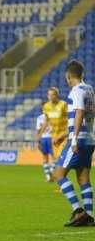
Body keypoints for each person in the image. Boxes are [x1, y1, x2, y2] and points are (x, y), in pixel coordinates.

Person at [53, 60, 95, 227]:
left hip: (79, 139)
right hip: (90, 138)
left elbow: (79, 112)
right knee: (83, 178)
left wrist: (74, 138)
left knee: (58, 174)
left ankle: (78, 211)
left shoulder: (76, 91)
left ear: (68, 76)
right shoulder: (90, 89)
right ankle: (89, 215)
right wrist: (66, 134)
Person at [41, 87, 68, 175]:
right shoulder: (46, 106)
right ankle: (58, 180)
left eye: (52, 94)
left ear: (57, 95)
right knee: (56, 158)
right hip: (54, 137)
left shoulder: (63, 104)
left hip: (64, 135)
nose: (50, 96)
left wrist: (65, 134)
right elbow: (46, 121)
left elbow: (70, 119)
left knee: (60, 158)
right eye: (49, 95)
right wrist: (40, 134)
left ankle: (58, 178)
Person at [36, 107, 55, 182]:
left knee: (45, 158)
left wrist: (38, 140)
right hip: (51, 138)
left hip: (43, 138)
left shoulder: (39, 118)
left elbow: (38, 130)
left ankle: (48, 176)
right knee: (54, 157)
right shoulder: (53, 116)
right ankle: (50, 173)